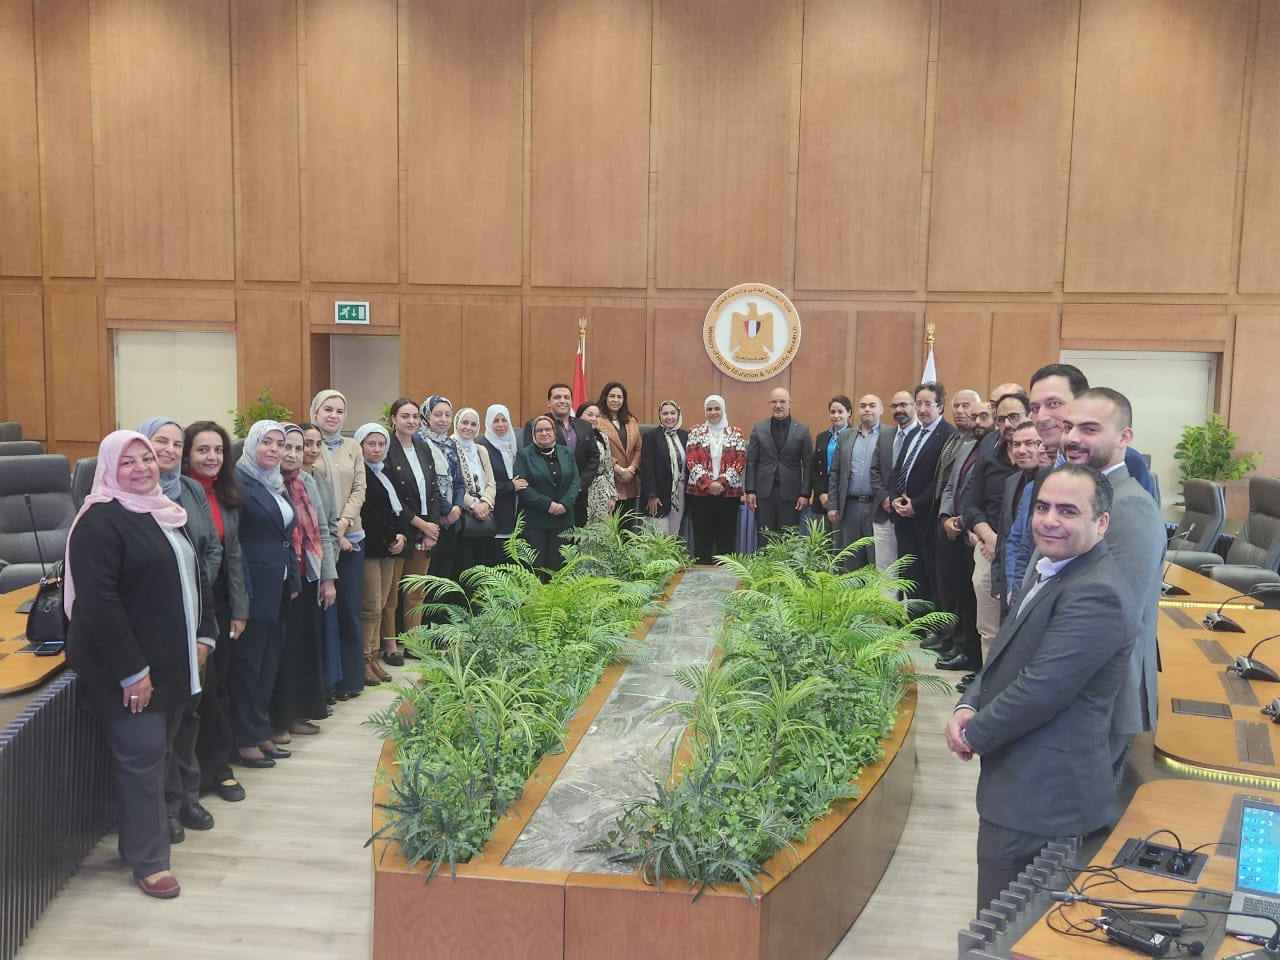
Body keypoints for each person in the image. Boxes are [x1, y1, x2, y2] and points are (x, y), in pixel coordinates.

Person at [945, 464, 1135, 913]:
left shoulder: (1096, 593)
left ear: (1101, 523)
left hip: (1042, 799)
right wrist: (967, 704)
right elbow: (1005, 652)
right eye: (1043, 507)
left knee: (1003, 929)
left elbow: (1040, 689)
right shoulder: (1052, 566)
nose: (1049, 520)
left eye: (1068, 511)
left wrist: (973, 734)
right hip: (1019, 787)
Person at [64, 430, 217, 899]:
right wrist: (132, 671)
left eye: (146, 459)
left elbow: (195, 577)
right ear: (108, 468)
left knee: (155, 756)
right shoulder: (99, 522)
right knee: (143, 761)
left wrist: (205, 633)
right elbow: (99, 604)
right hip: (129, 671)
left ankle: (136, 847)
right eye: (127, 462)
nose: (141, 468)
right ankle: (151, 862)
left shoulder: (164, 512)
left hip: (172, 663)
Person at [1060, 387, 1165, 775]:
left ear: (1124, 437)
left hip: (1098, 699)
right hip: (1075, 694)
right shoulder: (1088, 494)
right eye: (1068, 427)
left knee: (1080, 810)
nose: (1072, 438)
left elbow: (1111, 620)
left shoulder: (1129, 506)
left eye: (1089, 429)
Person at [139, 417, 219, 844]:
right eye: (160, 442)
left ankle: (188, 796)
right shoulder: (133, 502)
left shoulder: (187, 491)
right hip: (159, 632)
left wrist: (205, 630)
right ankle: (167, 805)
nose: (169, 450)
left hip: (195, 620)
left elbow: (206, 556)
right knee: (166, 723)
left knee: (190, 716)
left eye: (175, 443)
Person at [184, 421, 251, 805]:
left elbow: (234, 555)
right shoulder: (174, 493)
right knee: (198, 692)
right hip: (186, 602)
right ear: (186, 455)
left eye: (218, 450)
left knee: (219, 686)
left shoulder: (227, 493)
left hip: (221, 601)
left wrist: (240, 609)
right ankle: (194, 772)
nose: (211, 457)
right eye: (202, 450)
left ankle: (220, 767)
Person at [231, 420, 300, 769]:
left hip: (279, 585)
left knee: (269, 664)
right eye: (267, 442)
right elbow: (235, 543)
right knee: (248, 667)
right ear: (252, 445)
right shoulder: (239, 483)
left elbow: (285, 536)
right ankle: (243, 739)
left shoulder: (274, 482)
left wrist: (294, 579)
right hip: (253, 588)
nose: (275, 449)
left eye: (280, 443)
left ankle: (259, 730)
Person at [269, 424, 335, 742]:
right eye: (287, 447)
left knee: (302, 648)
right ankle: (277, 719)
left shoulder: (306, 481)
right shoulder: (267, 483)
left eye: (298, 448)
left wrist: (328, 579)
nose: (293, 454)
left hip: (308, 574)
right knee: (281, 652)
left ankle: (296, 712)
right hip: (281, 579)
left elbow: (321, 530)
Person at [307, 390, 367, 701]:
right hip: (320, 541)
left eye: (339, 411)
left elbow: (359, 488)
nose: (333, 415)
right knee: (324, 614)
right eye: (327, 409)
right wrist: (333, 532)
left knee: (349, 611)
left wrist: (343, 523)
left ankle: (351, 681)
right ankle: (327, 683)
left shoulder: (352, 446)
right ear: (315, 412)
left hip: (351, 537)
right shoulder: (309, 445)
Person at [1029, 363, 1158, 501]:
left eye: (1054, 404)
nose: (1041, 417)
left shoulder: (1128, 461)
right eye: (1035, 408)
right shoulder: (1045, 474)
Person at [958, 392, 1025, 655]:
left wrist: (1004, 544)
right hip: (988, 550)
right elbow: (970, 503)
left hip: (1024, 556)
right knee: (988, 630)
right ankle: (988, 679)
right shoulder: (989, 453)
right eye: (1001, 419)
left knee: (1019, 631)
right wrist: (988, 536)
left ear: (1029, 416)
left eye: (1014, 417)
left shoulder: (1038, 460)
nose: (1007, 424)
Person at [384, 398, 443, 668]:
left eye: (415, 416)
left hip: (425, 531)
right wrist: (421, 525)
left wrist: (432, 528)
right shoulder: (386, 448)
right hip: (400, 530)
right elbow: (391, 496)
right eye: (405, 416)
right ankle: (389, 645)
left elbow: (433, 489)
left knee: (415, 592)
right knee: (391, 594)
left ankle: (413, 642)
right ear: (393, 420)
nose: (411, 421)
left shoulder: (422, 446)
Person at [356, 423, 416, 688]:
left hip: (389, 548)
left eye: (381, 444)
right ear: (360, 446)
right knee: (370, 605)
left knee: (380, 605)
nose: (377, 449)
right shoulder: (362, 474)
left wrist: (401, 533)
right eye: (371, 444)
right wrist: (393, 535)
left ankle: (373, 657)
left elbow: (398, 508)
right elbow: (369, 513)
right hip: (371, 546)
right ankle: (363, 659)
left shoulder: (384, 472)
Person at [888, 382, 955, 603]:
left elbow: (941, 479)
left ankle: (928, 619)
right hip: (903, 517)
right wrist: (894, 498)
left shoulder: (948, 435)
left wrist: (916, 504)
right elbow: (897, 470)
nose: (922, 409)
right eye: (918, 404)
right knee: (909, 574)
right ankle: (914, 619)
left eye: (928, 404)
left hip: (927, 519)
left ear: (940, 407)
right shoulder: (912, 433)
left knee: (929, 576)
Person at [513, 415, 580, 575]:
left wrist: (564, 504)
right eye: (539, 430)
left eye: (548, 429)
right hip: (535, 522)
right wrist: (548, 505)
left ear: (554, 432)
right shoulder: (523, 455)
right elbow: (522, 487)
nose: (544, 433)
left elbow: (575, 480)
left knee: (559, 570)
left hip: (563, 520)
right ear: (533, 434)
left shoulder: (566, 452)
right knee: (535, 570)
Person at [524, 384, 599, 526]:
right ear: (549, 402)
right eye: (557, 397)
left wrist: (579, 485)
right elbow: (532, 458)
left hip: (578, 496)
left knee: (577, 537)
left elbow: (594, 457)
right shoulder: (537, 425)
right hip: (550, 500)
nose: (562, 401)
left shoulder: (584, 425)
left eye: (566, 397)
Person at [684, 394, 746, 564]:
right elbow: (691, 461)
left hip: (728, 495)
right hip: (700, 495)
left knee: (726, 540)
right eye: (709, 409)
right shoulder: (695, 431)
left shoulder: (736, 432)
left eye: (717, 408)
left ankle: (724, 578)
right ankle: (701, 577)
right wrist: (709, 484)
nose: (713, 412)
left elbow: (740, 461)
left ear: (723, 410)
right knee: (702, 540)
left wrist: (721, 484)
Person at [745, 387, 814, 538]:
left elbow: (809, 464)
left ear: (789, 403)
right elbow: (751, 461)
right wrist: (750, 491)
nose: (778, 405)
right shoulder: (759, 428)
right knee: (764, 539)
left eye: (782, 401)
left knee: (789, 541)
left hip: (792, 495)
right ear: (769, 404)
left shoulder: (802, 429)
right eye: (774, 402)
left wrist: (805, 494)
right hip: (763, 494)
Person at [827, 394, 884, 569]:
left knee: (876, 558)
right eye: (863, 405)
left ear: (881, 410)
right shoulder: (846, 436)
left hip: (877, 507)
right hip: (849, 507)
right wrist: (833, 504)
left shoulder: (890, 435)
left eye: (872, 405)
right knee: (850, 560)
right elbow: (835, 472)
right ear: (857, 411)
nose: (867, 409)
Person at [417, 395, 467, 593]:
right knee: (429, 580)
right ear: (427, 415)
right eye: (438, 414)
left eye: (447, 415)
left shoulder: (451, 443)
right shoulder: (419, 442)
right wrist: (447, 510)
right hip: (431, 520)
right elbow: (429, 484)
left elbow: (460, 481)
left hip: (452, 521)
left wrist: (457, 508)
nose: (443, 419)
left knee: (446, 578)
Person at [870, 391, 916, 577]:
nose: (899, 410)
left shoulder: (921, 436)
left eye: (903, 405)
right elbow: (874, 470)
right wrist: (885, 498)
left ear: (914, 406)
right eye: (895, 406)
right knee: (884, 567)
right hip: (884, 511)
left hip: (911, 513)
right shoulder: (885, 435)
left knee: (910, 569)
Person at [451, 407, 498, 571]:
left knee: (482, 565)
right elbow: (452, 484)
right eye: (464, 423)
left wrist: (485, 503)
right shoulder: (449, 447)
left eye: (473, 424)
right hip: (461, 515)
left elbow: (491, 482)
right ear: (456, 424)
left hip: (483, 514)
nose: (468, 428)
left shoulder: (480, 450)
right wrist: (473, 504)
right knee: (463, 566)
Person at [479, 404, 526, 553]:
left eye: (504, 420)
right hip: (495, 512)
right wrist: (510, 486)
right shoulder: (481, 447)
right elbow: (482, 484)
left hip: (516, 510)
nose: (501, 424)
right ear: (488, 422)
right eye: (495, 421)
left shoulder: (514, 444)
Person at [594, 381, 642, 525]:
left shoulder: (631, 421)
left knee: (627, 530)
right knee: (608, 530)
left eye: (619, 397)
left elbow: (639, 448)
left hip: (630, 484)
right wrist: (619, 470)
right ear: (605, 397)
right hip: (608, 483)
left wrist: (631, 469)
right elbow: (596, 451)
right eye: (612, 396)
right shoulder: (597, 421)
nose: (616, 400)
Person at [640, 400, 688, 536]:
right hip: (658, 495)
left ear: (678, 414)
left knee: (673, 534)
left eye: (673, 413)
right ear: (659, 416)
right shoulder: (651, 436)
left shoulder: (684, 436)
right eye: (665, 413)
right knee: (658, 535)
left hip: (680, 493)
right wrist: (652, 495)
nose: (669, 417)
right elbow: (647, 468)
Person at [810, 396, 852, 531]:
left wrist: (835, 498)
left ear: (849, 413)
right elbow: (814, 468)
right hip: (822, 497)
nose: (836, 415)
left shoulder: (855, 436)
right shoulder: (822, 437)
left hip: (844, 496)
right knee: (821, 539)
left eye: (840, 411)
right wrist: (821, 493)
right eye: (833, 412)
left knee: (840, 539)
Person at [575, 401, 617, 524]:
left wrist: (612, 495)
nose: (594, 418)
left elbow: (608, 467)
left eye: (597, 416)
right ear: (579, 416)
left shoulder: (603, 437)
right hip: (581, 490)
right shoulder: (573, 436)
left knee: (601, 530)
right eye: (590, 415)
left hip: (601, 491)